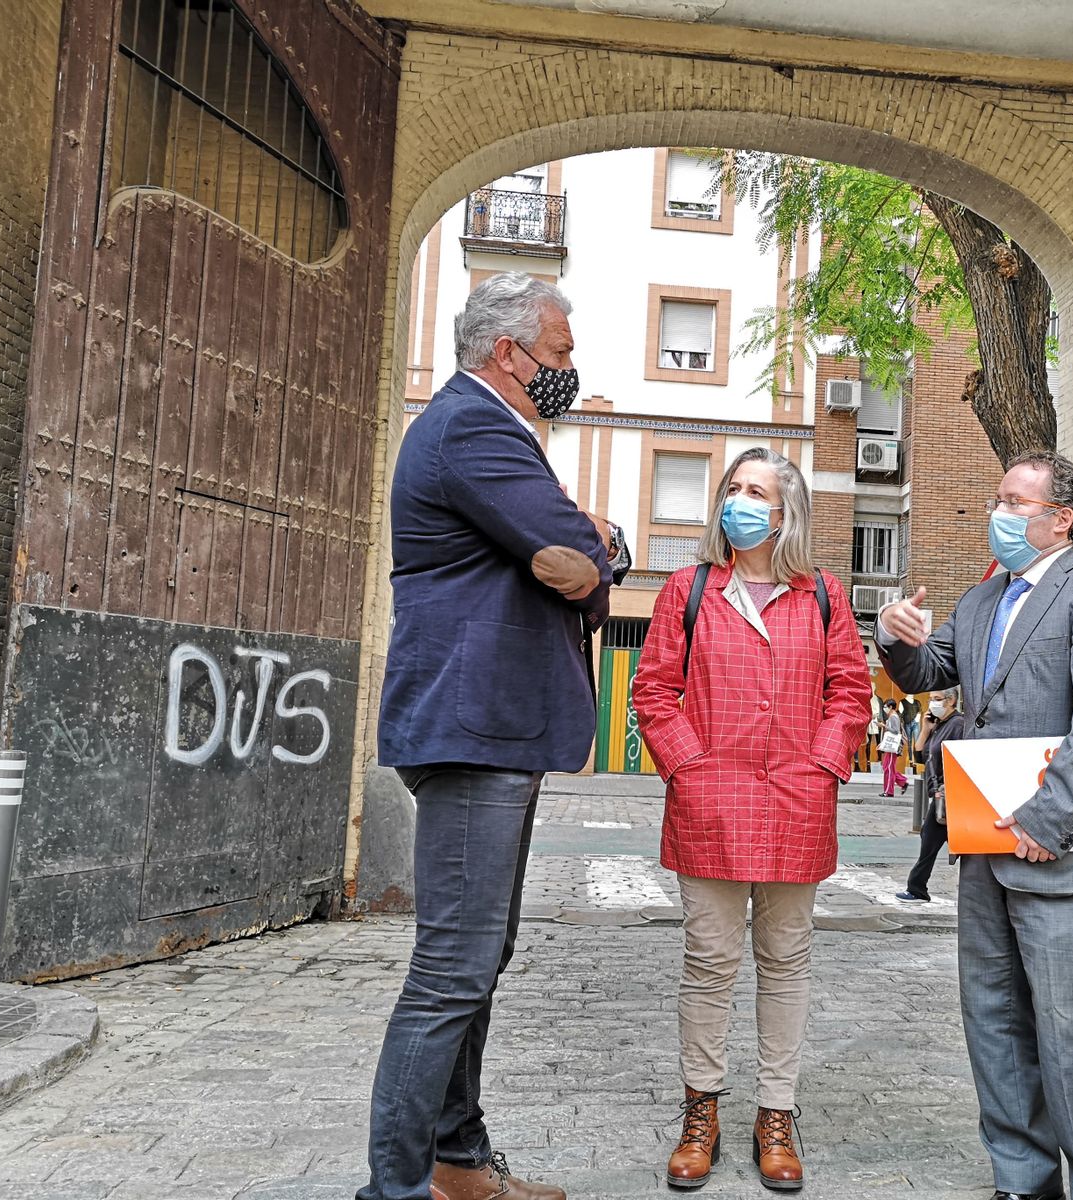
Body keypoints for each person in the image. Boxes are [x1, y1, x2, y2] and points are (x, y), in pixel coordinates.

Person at [364, 272, 615, 1200]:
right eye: (558, 355)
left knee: (479, 958)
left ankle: (459, 1165)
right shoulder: (472, 424)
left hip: (495, 728)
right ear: (507, 354)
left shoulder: (493, 428)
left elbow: (576, 561)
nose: (568, 371)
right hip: (475, 726)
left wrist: (586, 553)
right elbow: (579, 558)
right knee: (451, 971)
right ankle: (395, 1189)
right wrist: (593, 548)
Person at [876, 449, 1073, 1200]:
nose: (997, 513)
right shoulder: (981, 600)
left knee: (1072, 1033)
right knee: (993, 1018)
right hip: (984, 845)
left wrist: (1048, 816)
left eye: (1013, 501)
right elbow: (930, 672)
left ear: (1060, 519)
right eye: (998, 498)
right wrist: (895, 635)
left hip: (1060, 850)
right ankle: (1024, 1179)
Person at [632, 447, 871, 1193]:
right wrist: (692, 768)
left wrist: (822, 766)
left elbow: (850, 694)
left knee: (786, 960)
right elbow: (652, 692)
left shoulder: (823, 593)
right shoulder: (689, 589)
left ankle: (777, 1112)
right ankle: (700, 1109)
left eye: (755, 491)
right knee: (708, 962)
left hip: (796, 803)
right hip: (710, 802)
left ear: (783, 512)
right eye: (732, 488)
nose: (739, 500)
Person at [895, 686, 964, 904]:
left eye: (937, 699)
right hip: (939, 793)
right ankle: (917, 888)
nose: (932, 703)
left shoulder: (958, 725)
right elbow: (919, 755)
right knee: (931, 839)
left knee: (930, 839)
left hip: (949, 793)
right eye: (931, 699)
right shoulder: (939, 725)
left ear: (951, 701)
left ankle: (917, 888)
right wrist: (925, 728)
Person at [878, 698, 909, 797]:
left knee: (889, 768)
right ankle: (902, 782)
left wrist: (884, 725)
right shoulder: (892, 716)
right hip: (890, 745)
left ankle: (889, 791)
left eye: (885, 706)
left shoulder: (893, 717)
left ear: (890, 707)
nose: (884, 708)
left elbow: (895, 731)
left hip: (893, 746)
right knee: (887, 767)